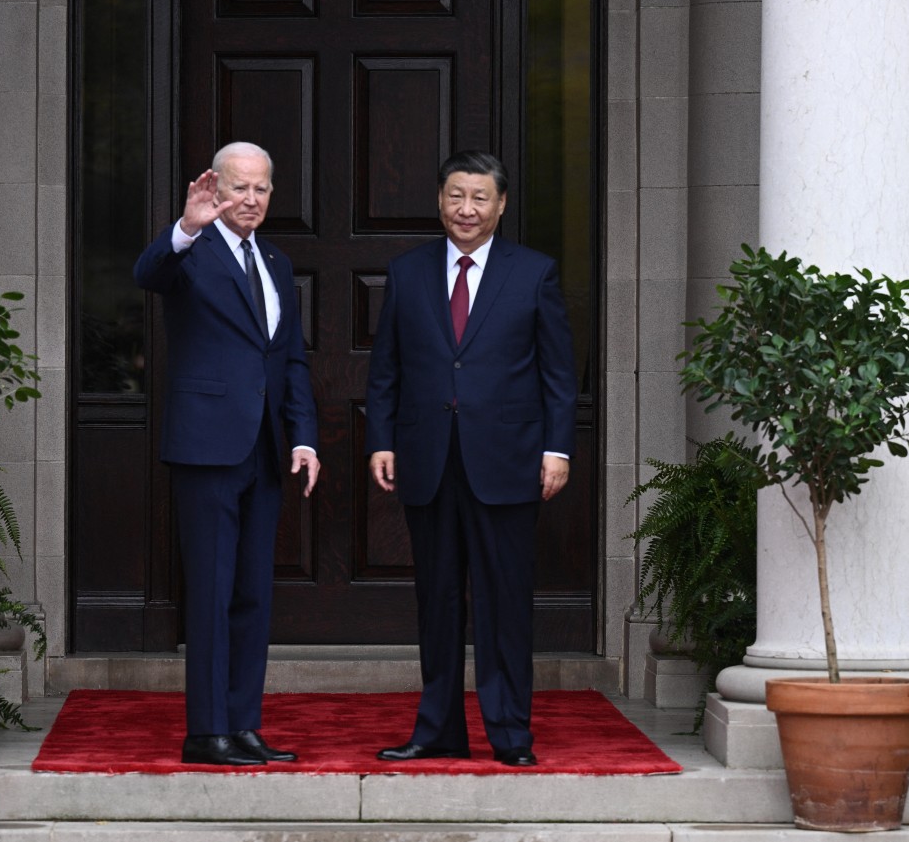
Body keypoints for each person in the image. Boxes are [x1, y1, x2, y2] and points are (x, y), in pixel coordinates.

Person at [365, 150, 577, 767]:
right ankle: (437, 729)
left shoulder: (534, 272)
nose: (467, 209)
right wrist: (382, 439)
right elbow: (387, 371)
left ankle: (510, 733)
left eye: (480, 198)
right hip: (427, 460)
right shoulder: (406, 273)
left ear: (501, 205)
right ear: (438, 200)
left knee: (504, 603)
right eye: (456, 196)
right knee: (437, 602)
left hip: (508, 461)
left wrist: (556, 448)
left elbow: (558, 374)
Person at [133, 142, 320, 766]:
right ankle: (204, 731)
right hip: (207, 447)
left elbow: (289, 358)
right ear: (216, 189)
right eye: (239, 188)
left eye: (262, 189)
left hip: (265, 450)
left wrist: (303, 436)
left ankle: (242, 725)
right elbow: (147, 273)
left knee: (252, 595)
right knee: (211, 592)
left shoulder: (276, 260)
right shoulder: (192, 252)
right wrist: (187, 226)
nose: (251, 200)